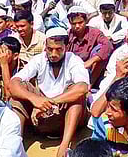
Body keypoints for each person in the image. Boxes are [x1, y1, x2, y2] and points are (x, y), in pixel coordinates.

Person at [9, 27, 89, 157]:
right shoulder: (39, 59)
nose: (53, 54)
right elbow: (13, 83)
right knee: (18, 93)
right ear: (45, 46)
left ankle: (64, 146)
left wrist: (49, 102)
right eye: (49, 49)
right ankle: (15, 144)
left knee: (76, 95)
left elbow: (83, 88)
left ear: (66, 47)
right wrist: (33, 99)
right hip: (42, 116)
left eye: (58, 50)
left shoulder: (74, 60)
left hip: (64, 115)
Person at [66, 6, 113, 86]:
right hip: (71, 69)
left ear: (86, 21)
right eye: (74, 24)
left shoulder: (94, 32)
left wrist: (92, 60)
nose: (77, 26)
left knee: (100, 50)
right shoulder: (67, 35)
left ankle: (90, 85)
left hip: (89, 69)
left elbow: (108, 45)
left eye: (80, 22)